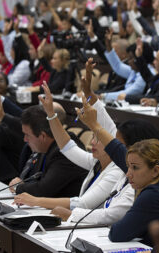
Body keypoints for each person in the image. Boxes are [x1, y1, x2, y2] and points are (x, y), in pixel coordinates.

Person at [13, 81, 124, 211]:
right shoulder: (96, 162)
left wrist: (36, 201)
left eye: (98, 139)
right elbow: (68, 147)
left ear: (115, 144)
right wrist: (50, 114)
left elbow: (82, 204)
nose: (92, 142)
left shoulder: (116, 171)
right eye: (93, 137)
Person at [76, 97, 159, 246]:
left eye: (134, 167)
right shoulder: (144, 173)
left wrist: (95, 124)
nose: (127, 172)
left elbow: (117, 233)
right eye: (128, 166)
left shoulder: (153, 194)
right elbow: (117, 150)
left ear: (156, 170)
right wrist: (93, 124)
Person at [9, 105, 88, 197]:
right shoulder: (47, 146)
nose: (25, 140)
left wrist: (18, 187)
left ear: (43, 136)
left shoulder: (65, 152)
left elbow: (43, 190)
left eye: (27, 135)